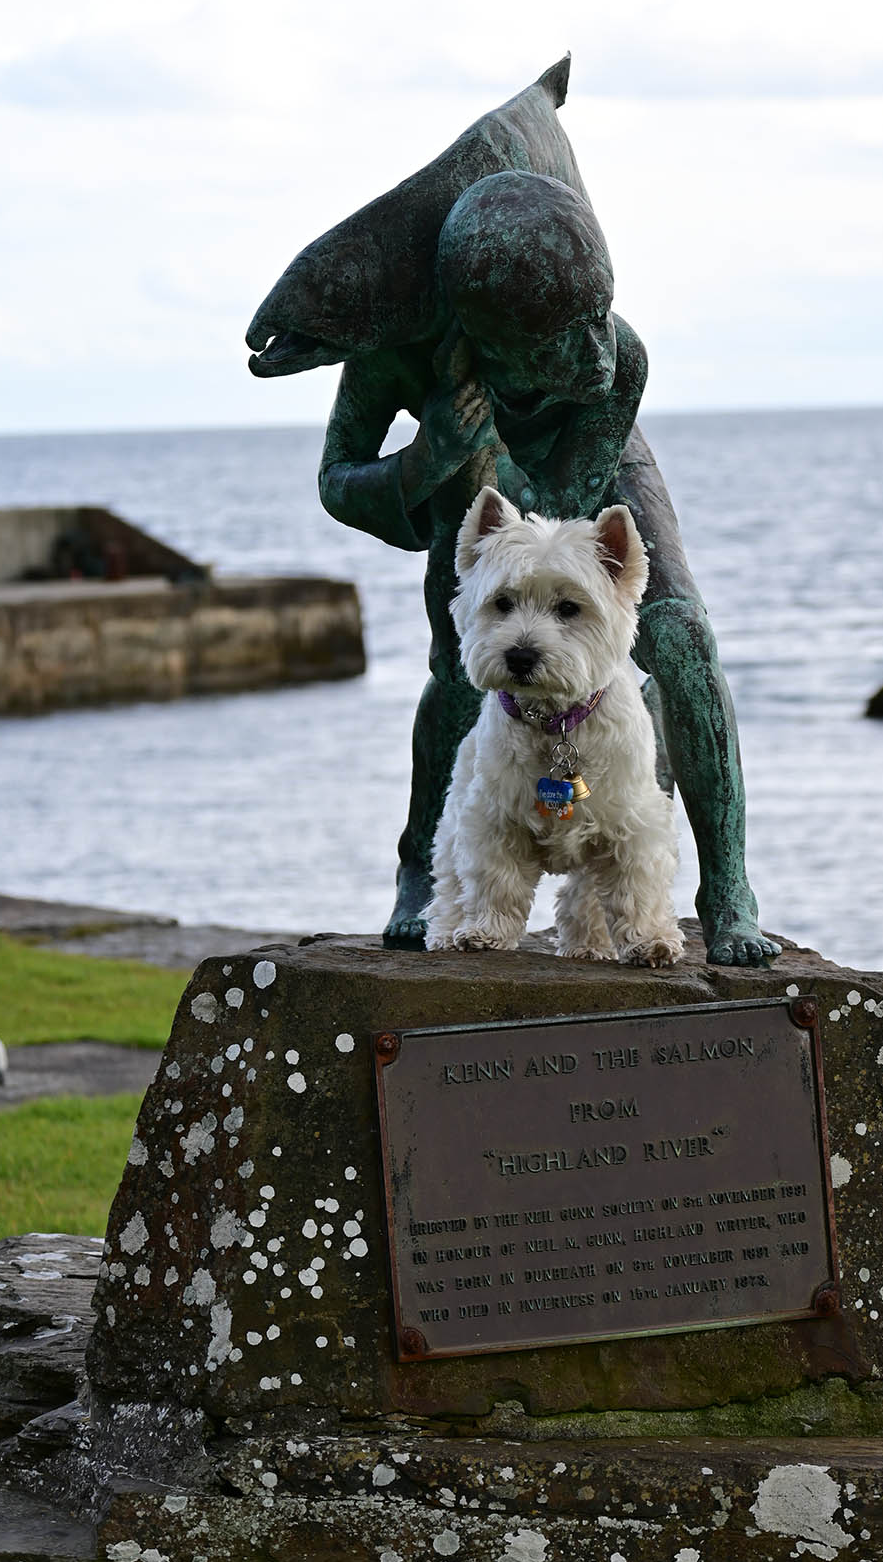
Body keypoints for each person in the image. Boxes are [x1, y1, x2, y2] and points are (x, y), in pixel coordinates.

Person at [317, 170, 780, 966]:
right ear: (484, 330)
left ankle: (727, 892)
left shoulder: (613, 357)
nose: (587, 354)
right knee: (460, 669)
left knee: (682, 636)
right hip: (465, 484)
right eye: (556, 338)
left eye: (589, 321)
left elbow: (570, 499)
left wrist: (493, 465)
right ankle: (421, 875)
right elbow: (338, 483)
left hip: (589, 481)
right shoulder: (400, 356)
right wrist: (432, 455)